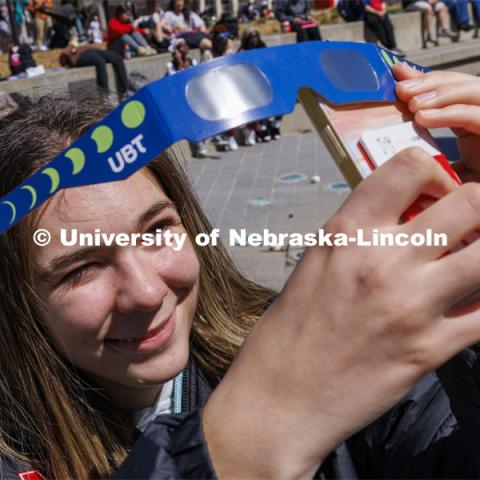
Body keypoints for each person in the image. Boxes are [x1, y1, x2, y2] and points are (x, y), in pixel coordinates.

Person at [2, 65, 480, 480]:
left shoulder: (302, 340)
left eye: (156, 231)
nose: (147, 293)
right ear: (15, 298)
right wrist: (254, 432)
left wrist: (464, 280)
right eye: (81, 269)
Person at [238, 28, 282, 142]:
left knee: (282, 94)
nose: (254, 40)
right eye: (251, 38)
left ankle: (275, 124)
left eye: (256, 37)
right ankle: (262, 126)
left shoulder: (263, 48)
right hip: (250, 84)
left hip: (265, 80)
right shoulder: (242, 52)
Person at [165, 38, 207, 157]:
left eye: (185, 45)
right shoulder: (170, 65)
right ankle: (199, 143)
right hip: (180, 98)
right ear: (176, 50)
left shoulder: (192, 61)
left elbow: (196, 76)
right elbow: (174, 80)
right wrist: (178, 63)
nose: (185, 48)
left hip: (194, 94)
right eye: (181, 46)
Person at [59, 42, 130, 96]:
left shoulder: (86, 44)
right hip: (81, 55)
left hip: (94, 50)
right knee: (100, 62)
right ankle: (105, 94)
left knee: (117, 58)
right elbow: (62, 59)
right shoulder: (70, 47)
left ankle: (125, 91)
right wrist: (72, 49)